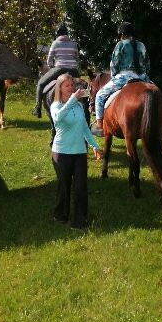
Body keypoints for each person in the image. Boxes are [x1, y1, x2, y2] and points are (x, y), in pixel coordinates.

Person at [49, 74, 102, 230]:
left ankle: (79, 221)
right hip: (61, 152)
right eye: (67, 86)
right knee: (64, 186)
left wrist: (94, 146)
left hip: (79, 152)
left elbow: (85, 128)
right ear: (60, 88)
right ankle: (60, 215)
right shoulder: (56, 106)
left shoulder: (79, 106)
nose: (71, 88)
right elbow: (58, 119)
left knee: (80, 187)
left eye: (73, 85)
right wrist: (72, 100)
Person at [91, 22, 149, 136]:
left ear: (122, 34)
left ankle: (99, 126)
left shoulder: (121, 44)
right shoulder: (142, 45)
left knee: (99, 96)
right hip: (142, 77)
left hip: (124, 76)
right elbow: (147, 64)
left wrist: (114, 76)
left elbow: (114, 64)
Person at [34, 24, 81, 118]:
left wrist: (51, 66)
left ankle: (37, 108)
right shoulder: (74, 44)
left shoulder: (55, 43)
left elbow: (49, 60)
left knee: (40, 83)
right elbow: (76, 58)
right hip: (73, 70)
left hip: (59, 69)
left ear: (58, 34)